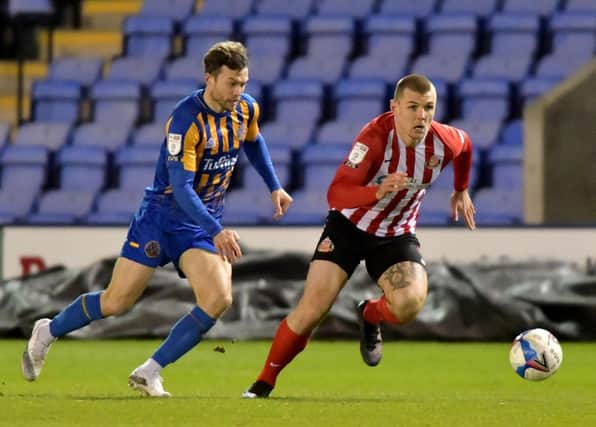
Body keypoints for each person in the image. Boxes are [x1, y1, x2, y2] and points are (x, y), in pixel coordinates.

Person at [21, 41, 293, 397]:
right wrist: (217, 231)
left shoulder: (245, 109)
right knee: (117, 302)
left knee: (218, 298)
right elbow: (181, 187)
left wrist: (274, 185)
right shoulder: (185, 120)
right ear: (209, 78)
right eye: (231, 83)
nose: (238, 92)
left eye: (243, 83)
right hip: (161, 219)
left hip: (198, 225)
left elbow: (253, 142)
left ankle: (150, 370)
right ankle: (49, 330)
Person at [243, 73, 476, 399]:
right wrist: (376, 191)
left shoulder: (444, 141)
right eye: (413, 107)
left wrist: (461, 189)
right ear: (394, 108)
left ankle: (369, 314)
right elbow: (336, 193)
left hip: (395, 233)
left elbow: (466, 147)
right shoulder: (375, 139)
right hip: (349, 227)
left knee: (409, 306)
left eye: (428, 107)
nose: (421, 116)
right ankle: (263, 383)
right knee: (312, 310)